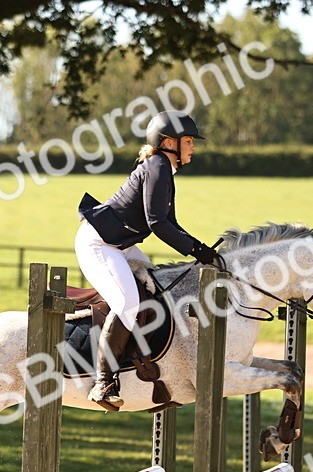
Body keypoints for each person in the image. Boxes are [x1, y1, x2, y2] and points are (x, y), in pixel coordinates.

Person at [75, 111, 223, 407]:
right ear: (169, 142)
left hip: (121, 244)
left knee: (155, 286)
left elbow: (171, 222)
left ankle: (142, 358)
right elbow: (157, 223)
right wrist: (196, 250)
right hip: (100, 244)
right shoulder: (157, 166)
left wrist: (198, 247)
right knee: (127, 303)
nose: (193, 147)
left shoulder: (164, 169)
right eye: (189, 141)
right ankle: (103, 383)